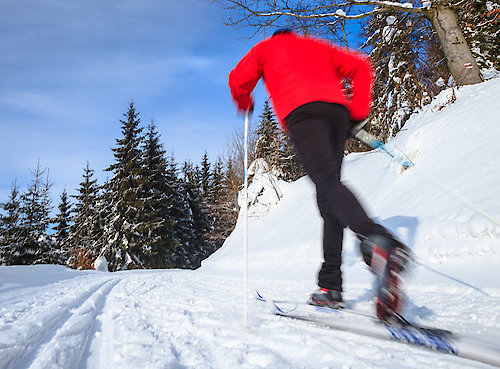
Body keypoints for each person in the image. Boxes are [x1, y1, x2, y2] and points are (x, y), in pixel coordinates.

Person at [228, 28, 411, 321]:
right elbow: (361, 65)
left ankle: (377, 239)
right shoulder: (317, 46)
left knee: (326, 182)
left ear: (277, 38)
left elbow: (238, 79)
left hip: (303, 112)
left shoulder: (266, 48)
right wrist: (357, 110)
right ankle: (330, 286)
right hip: (337, 114)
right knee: (329, 196)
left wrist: (244, 101)